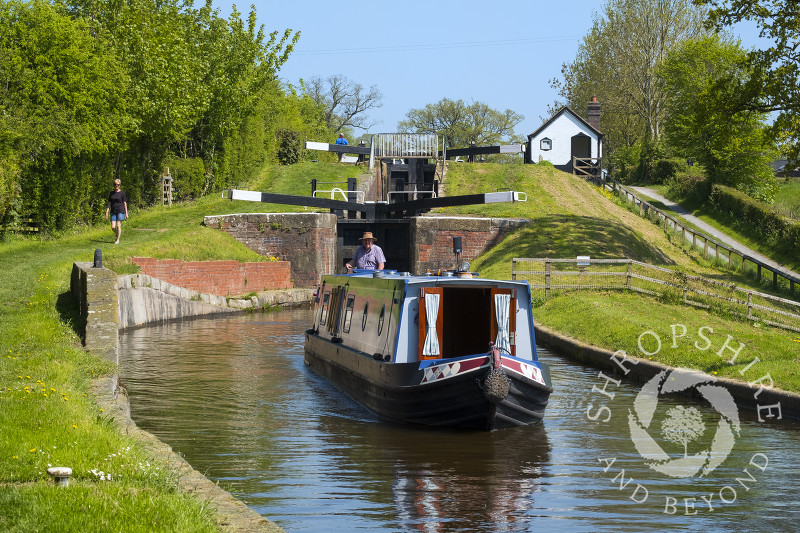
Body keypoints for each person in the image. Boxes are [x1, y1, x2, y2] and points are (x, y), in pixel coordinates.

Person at [105, 178, 129, 244]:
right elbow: (109, 203)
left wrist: (126, 213)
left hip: (120, 210)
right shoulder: (111, 193)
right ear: (113, 185)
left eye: (118, 185)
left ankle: (117, 239)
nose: (116, 186)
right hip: (113, 211)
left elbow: (125, 203)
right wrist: (107, 212)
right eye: (115, 185)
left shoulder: (122, 193)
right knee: (113, 227)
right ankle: (117, 234)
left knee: (118, 225)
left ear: (120, 185)